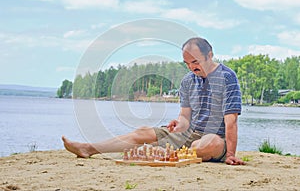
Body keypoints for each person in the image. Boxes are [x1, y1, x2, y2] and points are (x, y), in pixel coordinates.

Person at [62, 37, 245, 165]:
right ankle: (88, 148)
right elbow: (185, 117)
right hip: (189, 134)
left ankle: (161, 152)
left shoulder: (227, 77)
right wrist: (178, 124)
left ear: (210, 55)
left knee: (206, 144)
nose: (191, 67)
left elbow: (231, 121)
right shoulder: (188, 80)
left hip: (215, 139)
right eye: (186, 63)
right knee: (142, 133)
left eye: (195, 62)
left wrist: (230, 154)